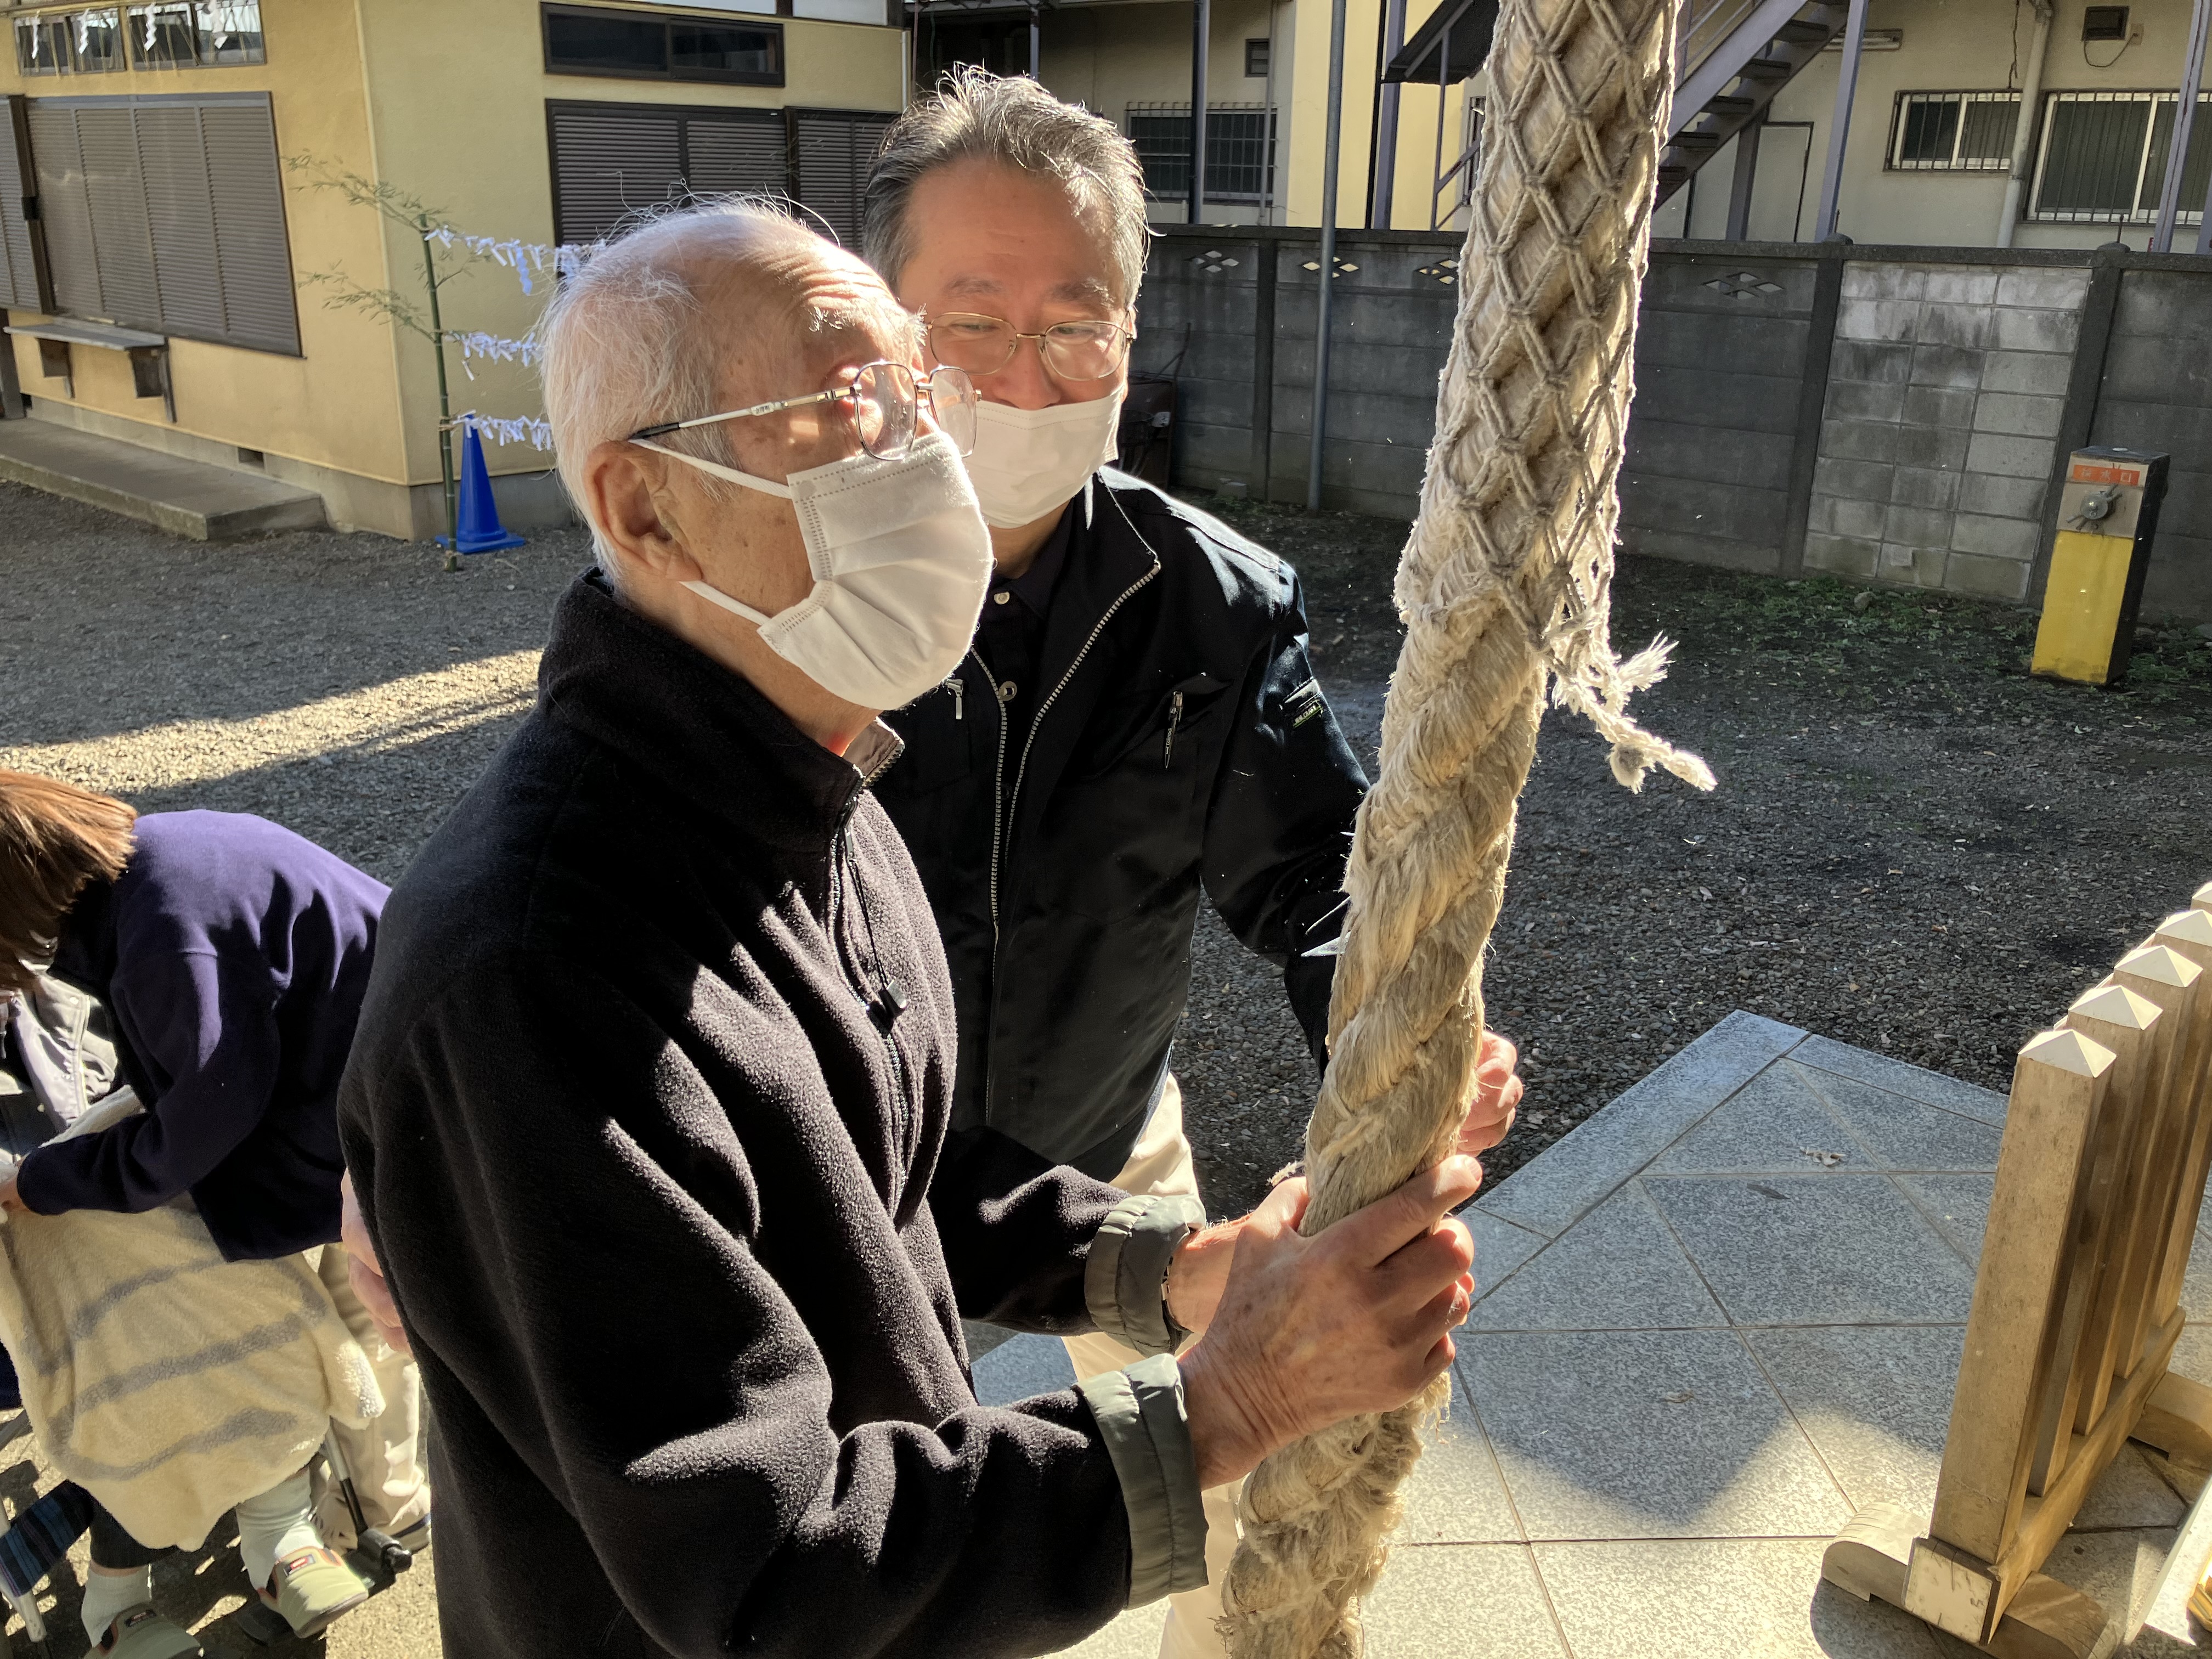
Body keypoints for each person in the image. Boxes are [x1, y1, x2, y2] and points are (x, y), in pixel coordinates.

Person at [336, 199, 1480, 1659]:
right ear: (645, 508)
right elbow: (768, 1575)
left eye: (915, 392)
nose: (929, 452)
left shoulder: (816, 778)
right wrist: (1229, 1401)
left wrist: (1167, 1270)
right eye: (846, 403)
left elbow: (881, 1174)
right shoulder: (540, 983)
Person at [861, 71, 1523, 1654]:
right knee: (881, 1545)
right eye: (971, 323)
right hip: (852, 1163)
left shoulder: (1210, 603)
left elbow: (1316, 871)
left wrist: (1402, 1032)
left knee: (1222, 1505)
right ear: (884, 332)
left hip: (1110, 1135)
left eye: (1075, 324)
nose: (1026, 373)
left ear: (1132, 336)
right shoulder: (795, 581)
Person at [0, 774, 428, 1654]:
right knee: (337, 1321)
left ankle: (350, 1520)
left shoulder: (163, 936)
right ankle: (356, 1516)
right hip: (374, 1090)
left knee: (337, 1315)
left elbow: (192, 1131)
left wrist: (40, 1182)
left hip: (395, 1124)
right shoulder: (162, 860)